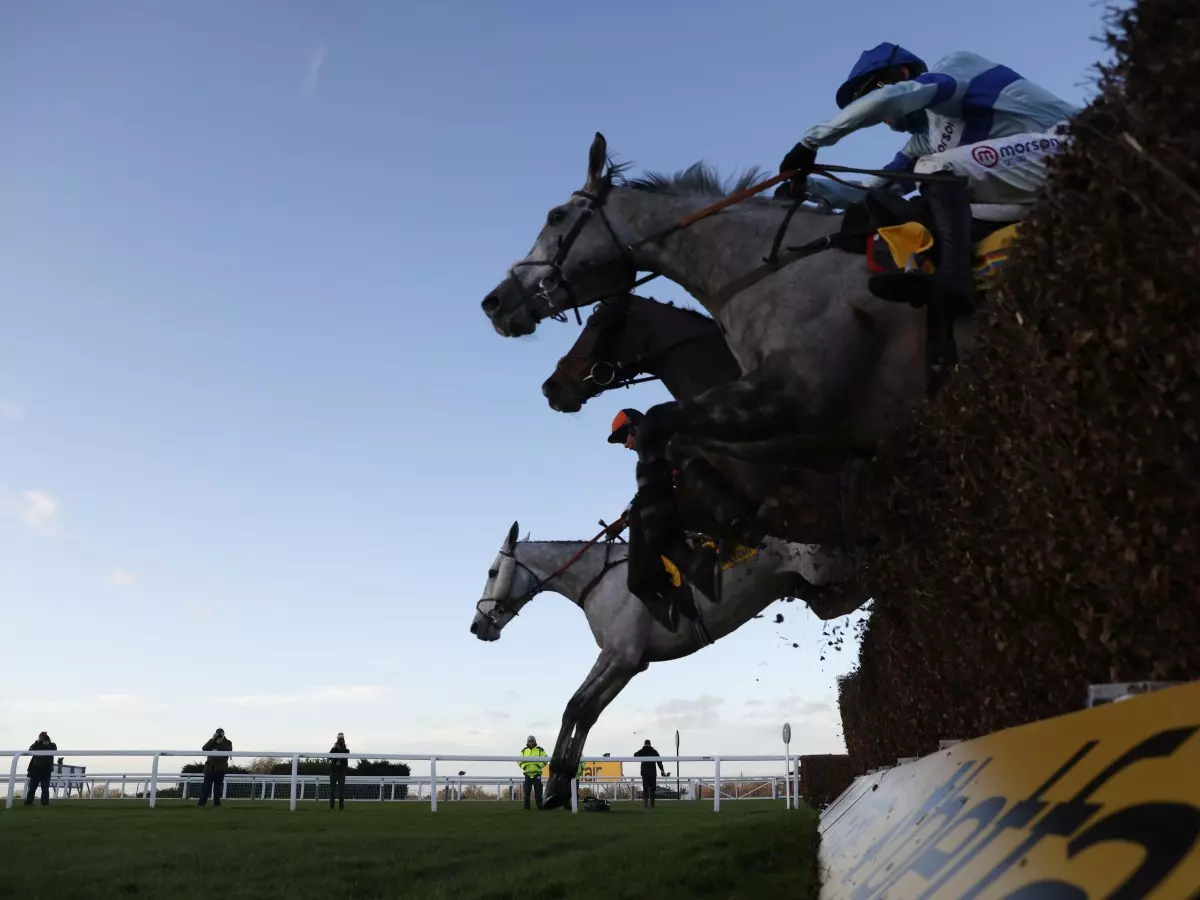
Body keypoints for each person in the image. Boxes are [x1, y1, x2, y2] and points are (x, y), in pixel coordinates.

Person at [779, 43, 1080, 313]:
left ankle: (953, 280)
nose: (880, 114)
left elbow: (890, 98)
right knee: (925, 211)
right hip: (1033, 191)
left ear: (903, 72)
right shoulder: (925, 143)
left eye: (872, 90)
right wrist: (809, 186)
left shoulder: (954, 67)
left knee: (932, 170)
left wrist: (810, 143)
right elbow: (874, 190)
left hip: (1075, 148)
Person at [606, 409, 718, 625]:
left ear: (634, 427)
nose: (626, 445)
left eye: (624, 438)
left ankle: (660, 586)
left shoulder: (667, 442)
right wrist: (623, 520)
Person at [198, 728, 232, 808]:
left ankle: (217, 804)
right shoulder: (212, 742)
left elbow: (228, 750)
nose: (219, 735)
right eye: (218, 734)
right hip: (209, 768)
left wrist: (219, 745)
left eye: (220, 733)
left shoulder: (227, 742)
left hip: (220, 768)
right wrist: (213, 740)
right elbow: (204, 748)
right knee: (206, 787)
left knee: (217, 788)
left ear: (224, 734)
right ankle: (201, 804)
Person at [633, 739, 669, 809]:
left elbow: (635, 755)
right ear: (650, 744)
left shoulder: (642, 751)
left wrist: (643, 749)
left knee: (645, 788)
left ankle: (646, 805)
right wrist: (662, 771)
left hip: (644, 772)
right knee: (652, 789)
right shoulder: (654, 751)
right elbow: (659, 762)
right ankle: (652, 805)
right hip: (652, 772)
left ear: (644, 744)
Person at [24, 731, 56, 806]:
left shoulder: (52, 745)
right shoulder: (37, 745)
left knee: (45, 788)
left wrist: (46, 743)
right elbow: (30, 750)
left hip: (46, 770)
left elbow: (53, 750)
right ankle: (28, 802)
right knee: (32, 788)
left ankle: (44, 803)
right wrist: (37, 742)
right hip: (35, 770)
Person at [519, 735, 546, 810]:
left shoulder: (540, 750)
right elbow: (519, 761)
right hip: (527, 774)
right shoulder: (523, 751)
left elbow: (545, 759)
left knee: (538, 792)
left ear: (535, 741)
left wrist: (539, 766)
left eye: (532, 740)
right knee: (527, 792)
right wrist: (524, 766)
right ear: (527, 742)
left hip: (537, 774)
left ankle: (540, 807)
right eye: (529, 741)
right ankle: (526, 808)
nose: (531, 742)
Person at [328, 732, 349, 811]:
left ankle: (341, 807)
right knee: (332, 790)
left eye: (341, 739)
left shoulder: (346, 750)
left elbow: (345, 759)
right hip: (333, 770)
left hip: (341, 771)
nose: (340, 741)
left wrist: (341, 748)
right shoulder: (334, 749)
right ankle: (332, 807)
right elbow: (329, 757)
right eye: (339, 739)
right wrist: (334, 748)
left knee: (341, 790)